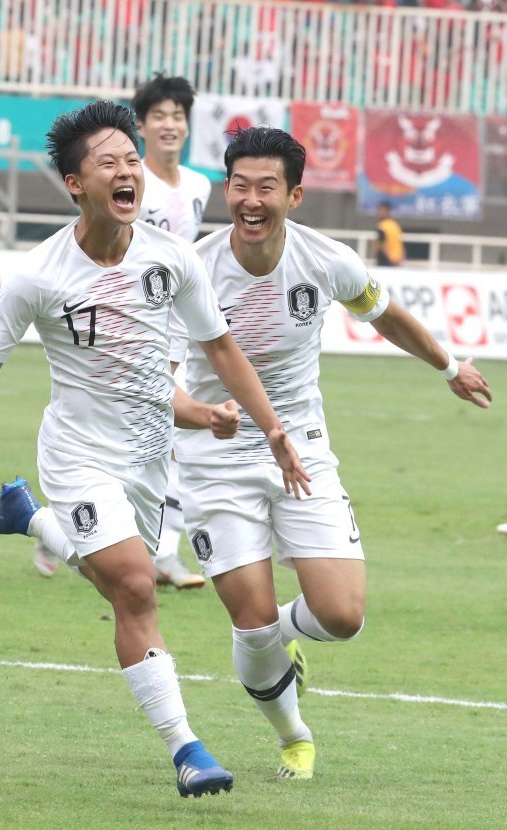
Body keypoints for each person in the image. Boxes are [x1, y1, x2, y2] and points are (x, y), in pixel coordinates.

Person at [0, 102, 312, 798]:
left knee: (115, 577)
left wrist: (271, 429)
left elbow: (221, 348)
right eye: (107, 162)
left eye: (131, 160)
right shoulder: (38, 275)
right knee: (137, 588)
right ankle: (188, 750)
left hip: (149, 460)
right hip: (78, 454)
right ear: (74, 184)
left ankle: (26, 516)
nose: (126, 172)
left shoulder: (170, 260)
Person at [167, 127, 492, 781]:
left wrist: (449, 364)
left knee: (342, 616)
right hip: (214, 454)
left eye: (266, 188)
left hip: (304, 451)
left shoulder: (326, 260)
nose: (251, 201)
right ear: (225, 191)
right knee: (250, 622)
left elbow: (386, 313)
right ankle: (294, 735)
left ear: (296, 195)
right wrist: (204, 414)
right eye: (239, 186)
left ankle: (285, 638)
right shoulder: (190, 269)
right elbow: (160, 374)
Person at [35, 73, 212, 588]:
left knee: (165, 434)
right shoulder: (125, 181)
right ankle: (156, 552)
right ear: (141, 126)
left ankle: (68, 528)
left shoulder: (199, 185)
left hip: (179, 319)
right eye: (160, 116)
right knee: (161, 430)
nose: (170, 125)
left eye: (178, 116)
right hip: (130, 321)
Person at [374, 200, 405, 267]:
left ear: (388, 212)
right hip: (396, 261)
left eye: (381, 211)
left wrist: (389, 259)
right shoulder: (395, 225)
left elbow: (381, 245)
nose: (379, 213)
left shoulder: (382, 226)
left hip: (386, 261)